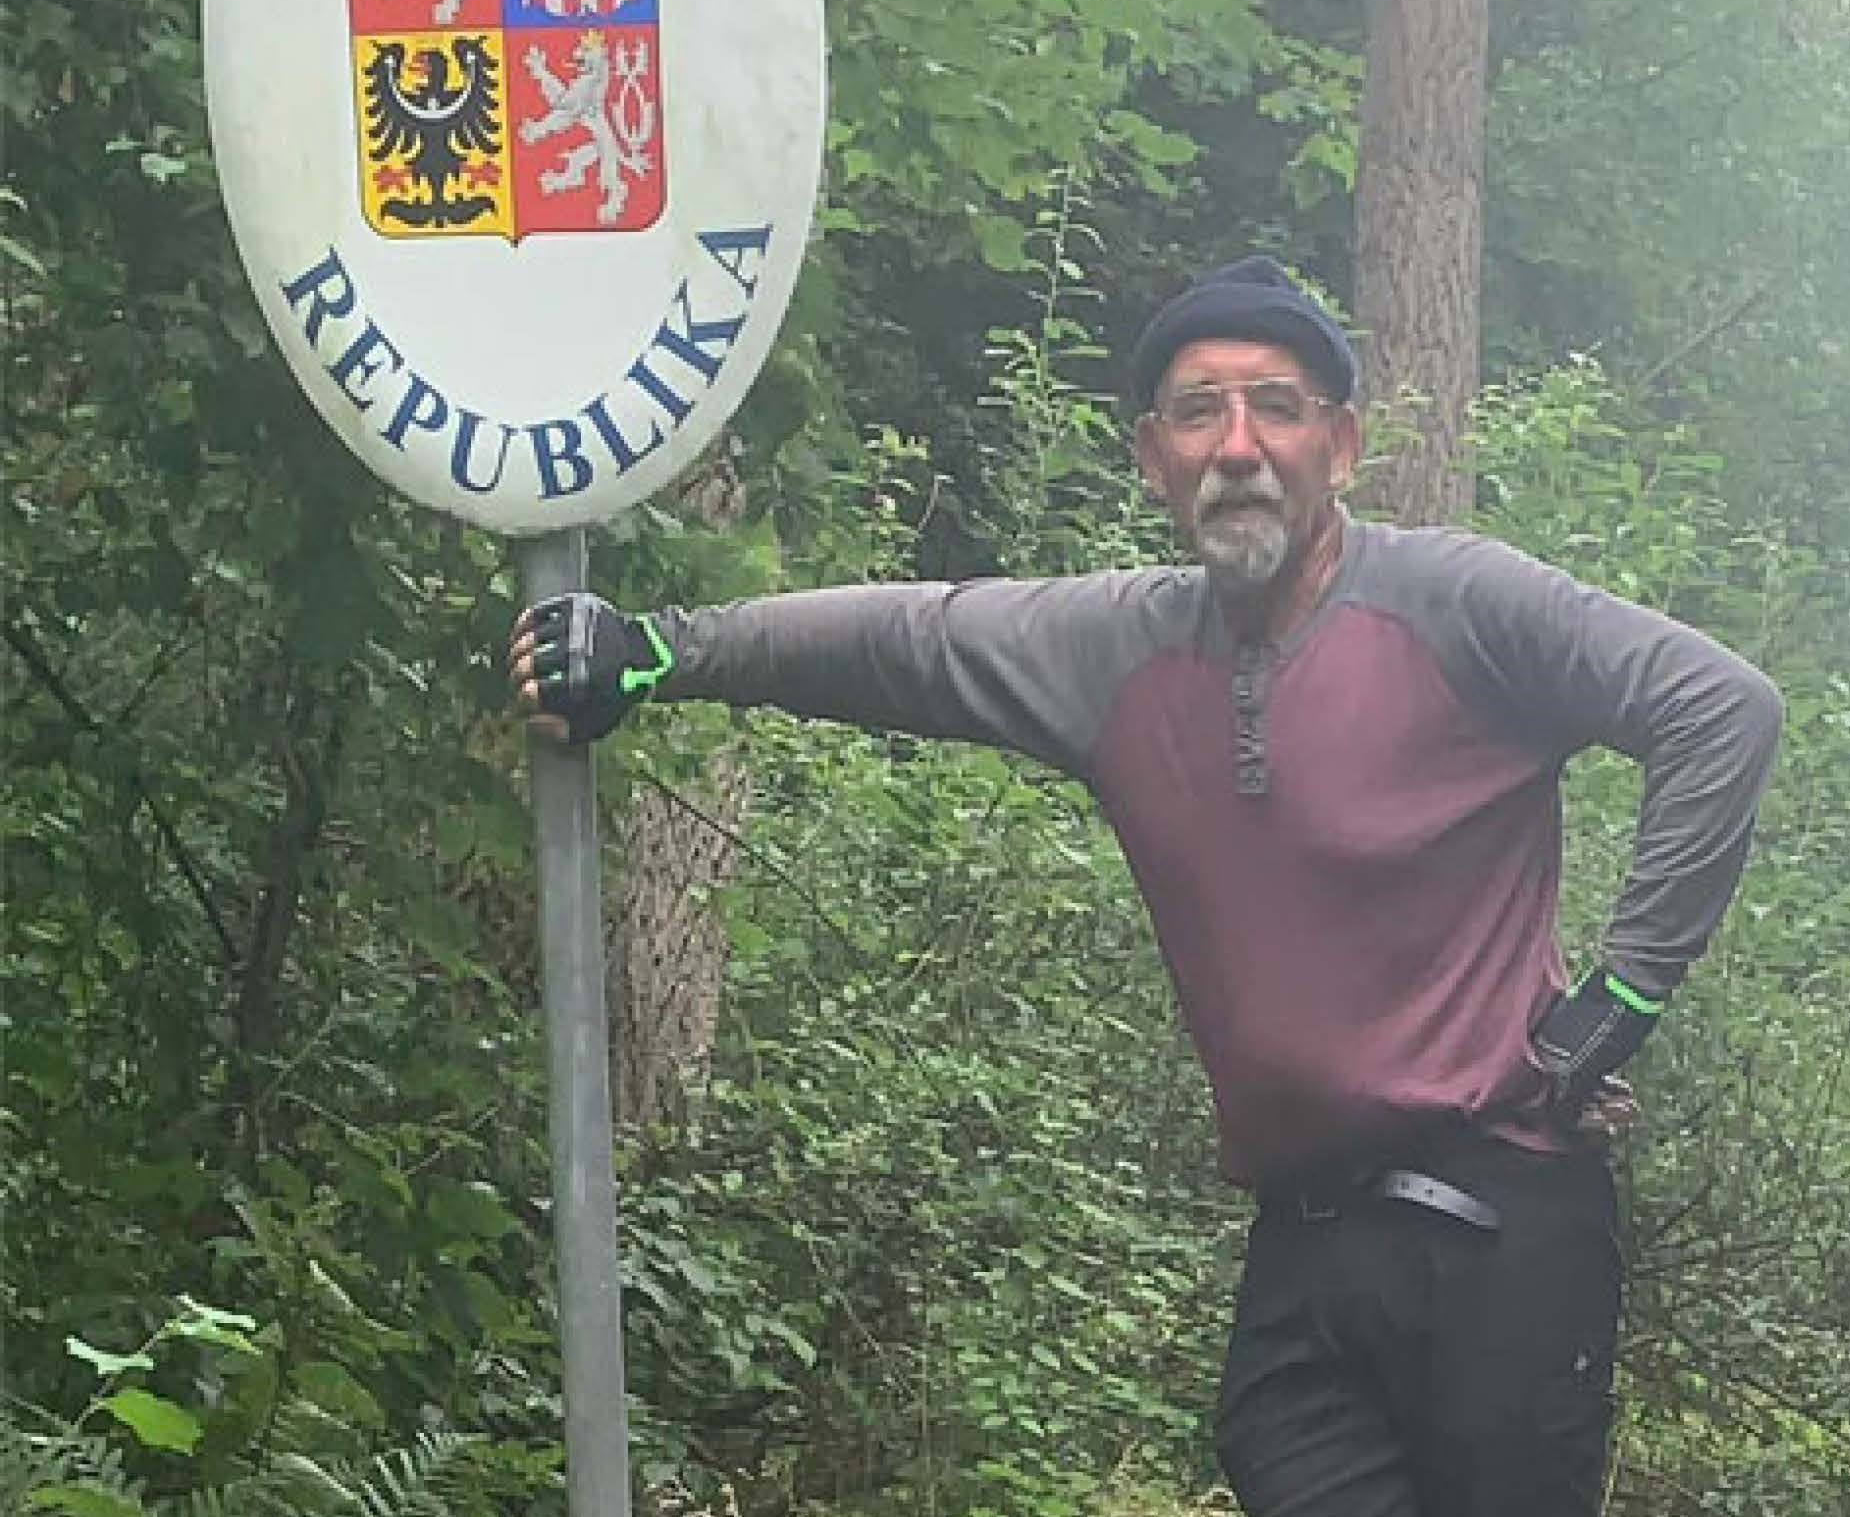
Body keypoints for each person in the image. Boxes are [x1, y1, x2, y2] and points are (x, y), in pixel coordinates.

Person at [504, 257, 1784, 1517]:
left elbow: (1718, 707)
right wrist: (663, 652)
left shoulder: (1455, 602)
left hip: (1503, 1215)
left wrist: (1623, 989)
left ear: (1338, 444)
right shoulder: (1115, 646)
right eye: (1197, 412)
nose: (1238, 444)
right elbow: (911, 639)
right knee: (1270, 1430)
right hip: (1306, 1233)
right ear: (1151, 459)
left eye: (1275, 407)